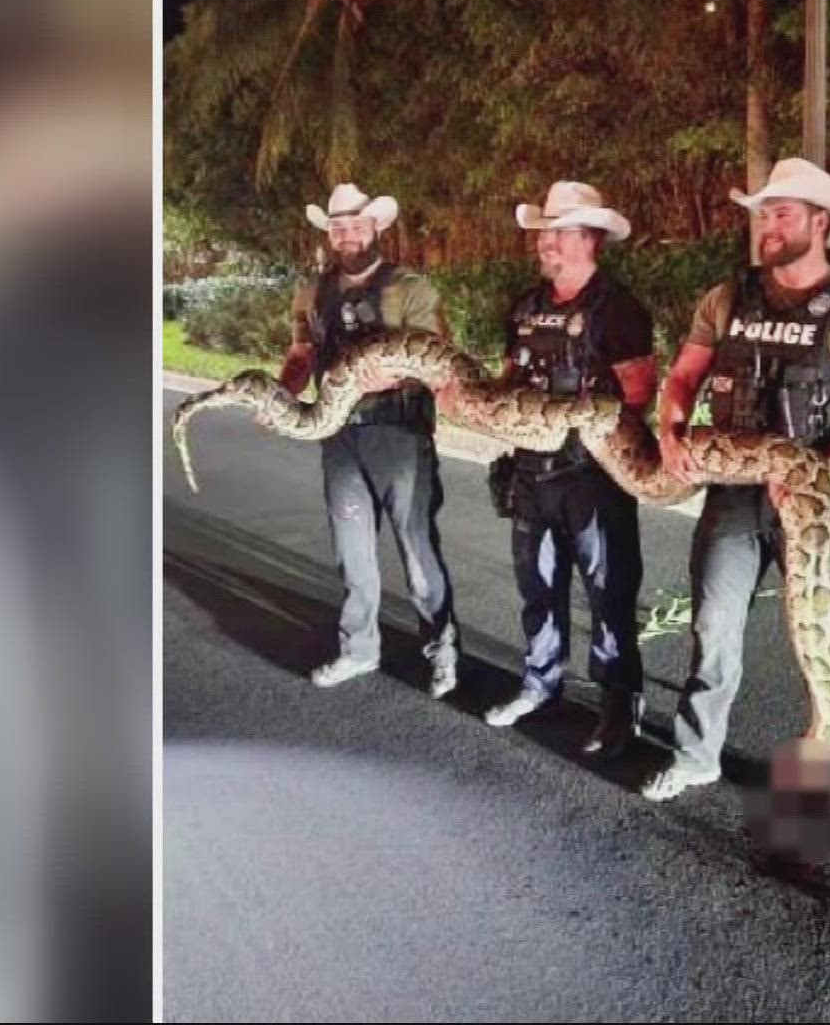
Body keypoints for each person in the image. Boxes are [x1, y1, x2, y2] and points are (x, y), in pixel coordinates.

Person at [641, 158, 830, 848]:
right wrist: (671, 433)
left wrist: (812, 477)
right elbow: (684, 378)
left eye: (784, 213)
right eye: (764, 213)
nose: (769, 225)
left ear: (821, 222)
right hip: (733, 498)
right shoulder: (727, 300)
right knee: (713, 629)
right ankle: (696, 756)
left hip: (813, 508)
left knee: (828, 646)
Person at [484, 181, 657, 757]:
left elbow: (639, 395)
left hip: (593, 477)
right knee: (537, 586)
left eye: (557, 232)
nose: (545, 242)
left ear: (590, 239)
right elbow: (508, 378)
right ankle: (540, 683)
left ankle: (617, 704)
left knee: (607, 593)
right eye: (543, 233)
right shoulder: (526, 305)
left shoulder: (620, 309)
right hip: (531, 473)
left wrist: (576, 418)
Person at [275, 183, 462, 696]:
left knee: (416, 548)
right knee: (351, 551)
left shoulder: (411, 289)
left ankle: (442, 649)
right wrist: (280, 395)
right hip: (340, 434)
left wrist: (391, 379)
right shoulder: (312, 291)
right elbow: (301, 356)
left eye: (357, 223)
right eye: (338, 226)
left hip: (399, 433)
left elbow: (438, 363)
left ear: (376, 227)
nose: (347, 233)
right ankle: (358, 650)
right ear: (329, 233)